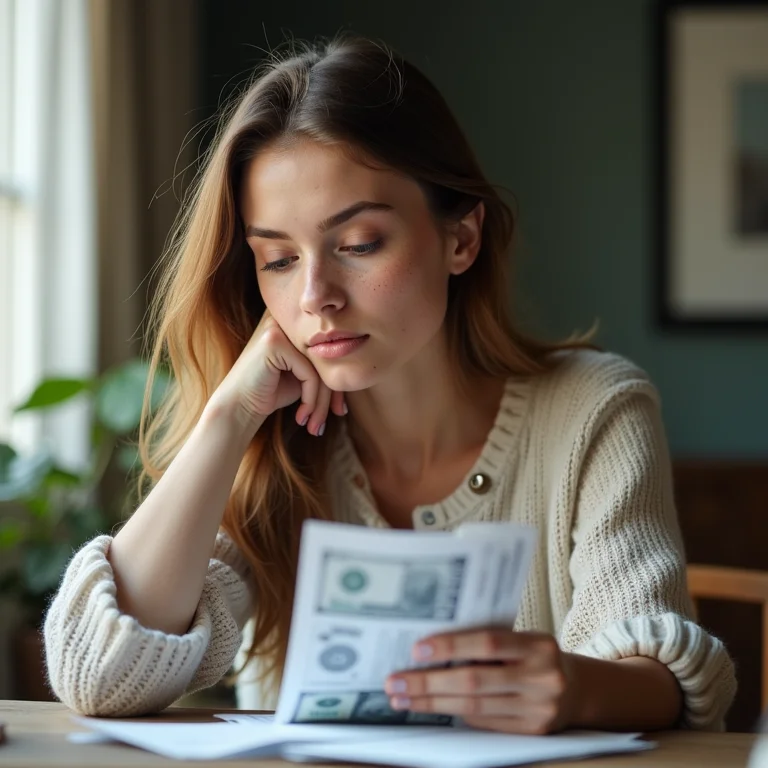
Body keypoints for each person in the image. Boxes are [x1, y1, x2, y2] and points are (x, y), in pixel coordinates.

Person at [44, 34, 735, 733]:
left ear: (461, 239)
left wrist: (579, 690)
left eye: (359, 244)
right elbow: (97, 676)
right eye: (278, 259)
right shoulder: (273, 450)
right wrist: (227, 416)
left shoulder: (594, 412)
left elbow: (666, 675)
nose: (315, 296)